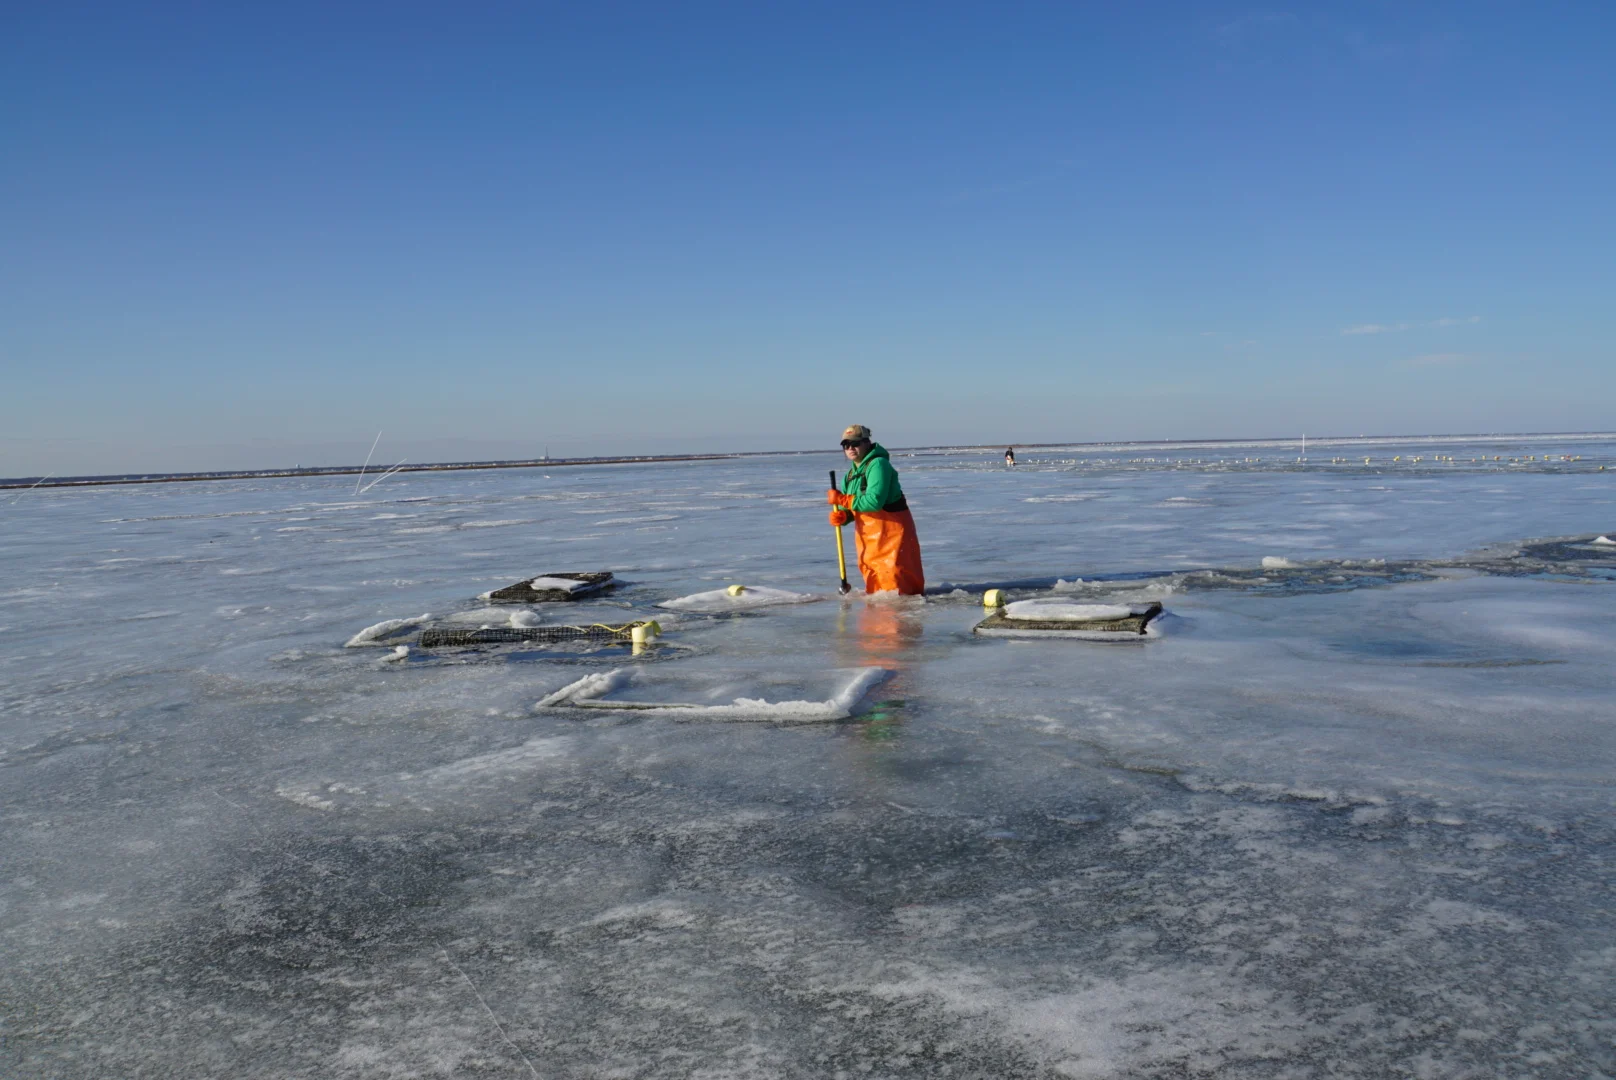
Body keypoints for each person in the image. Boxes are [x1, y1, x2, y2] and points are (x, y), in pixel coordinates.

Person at [826, 425, 925, 595]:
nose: (850, 448)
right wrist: (844, 516)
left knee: (896, 584)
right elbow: (853, 507)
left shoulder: (879, 465)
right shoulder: (849, 476)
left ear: (867, 443)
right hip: (868, 541)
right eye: (846, 445)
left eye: (855, 443)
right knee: (875, 587)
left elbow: (874, 501)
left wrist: (842, 499)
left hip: (892, 537)